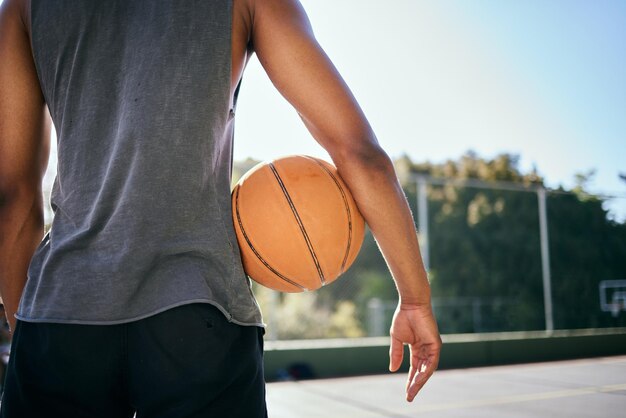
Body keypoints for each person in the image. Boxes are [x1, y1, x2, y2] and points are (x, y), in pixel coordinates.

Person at [0, 0, 441, 416]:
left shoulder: (25, 5)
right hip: (197, 314)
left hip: (61, 313)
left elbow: (12, 196)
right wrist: (415, 300)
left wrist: (32, 335)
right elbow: (357, 151)